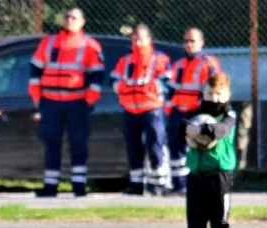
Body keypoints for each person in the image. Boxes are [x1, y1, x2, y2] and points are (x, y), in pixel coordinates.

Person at [29, 7, 104, 198]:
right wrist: (37, 98)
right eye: (67, 17)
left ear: (82, 22)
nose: (70, 20)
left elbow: (97, 77)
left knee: (78, 143)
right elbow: (35, 70)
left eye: (74, 17)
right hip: (50, 103)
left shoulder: (90, 46)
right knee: (51, 143)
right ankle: (50, 185)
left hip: (77, 103)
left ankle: (79, 185)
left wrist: (89, 101)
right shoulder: (49, 42)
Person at [182, 73, 236, 228]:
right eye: (210, 93)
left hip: (219, 175)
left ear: (227, 95)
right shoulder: (196, 114)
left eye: (219, 94)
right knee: (195, 220)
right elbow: (180, 128)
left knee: (220, 220)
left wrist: (202, 130)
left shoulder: (229, 116)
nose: (214, 98)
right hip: (196, 175)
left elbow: (222, 130)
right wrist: (186, 128)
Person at [111, 24, 172, 196]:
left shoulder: (159, 59)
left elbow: (166, 81)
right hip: (130, 109)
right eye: (134, 39)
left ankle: (158, 184)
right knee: (133, 147)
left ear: (149, 39)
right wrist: (124, 88)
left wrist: (148, 90)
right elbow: (114, 79)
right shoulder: (125, 60)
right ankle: (136, 184)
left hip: (152, 109)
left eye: (141, 39)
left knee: (155, 145)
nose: (137, 43)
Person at [166, 28, 221, 194]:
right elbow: (171, 89)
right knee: (176, 147)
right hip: (178, 111)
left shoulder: (209, 64)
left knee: (200, 147)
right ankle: (179, 184)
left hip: (198, 112)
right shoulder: (179, 64)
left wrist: (207, 113)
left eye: (193, 41)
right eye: (186, 41)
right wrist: (169, 109)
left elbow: (212, 90)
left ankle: (202, 184)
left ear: (201, 43)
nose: (189, 44)